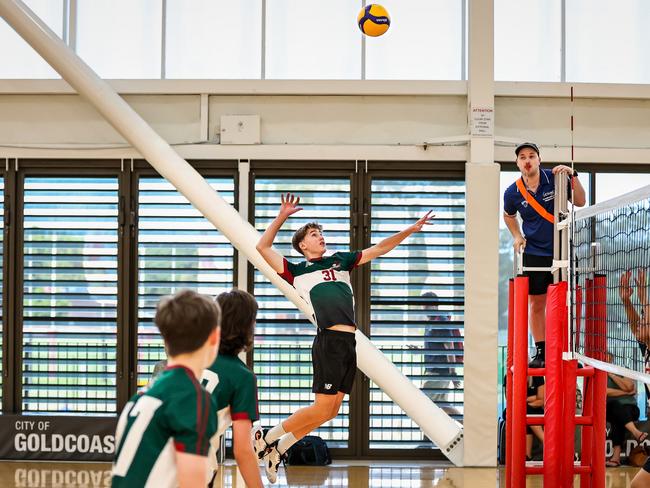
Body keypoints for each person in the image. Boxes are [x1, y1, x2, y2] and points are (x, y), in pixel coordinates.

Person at [255, 192, 434, 483]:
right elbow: (262, 246)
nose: (321, 237)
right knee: (322, 408)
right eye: (314, 234)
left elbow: (379, 248)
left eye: (321, 233)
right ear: (303, 245)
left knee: (331, 411)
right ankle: (267, 437)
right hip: (329, 342)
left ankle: (280, 449)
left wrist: (411, 229)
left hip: (349, 343)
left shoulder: (340, 261)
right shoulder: (296, 271)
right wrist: (282, 216)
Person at [111, 290, 221, 488]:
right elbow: (192, 483)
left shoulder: (140, 397)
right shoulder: (192, 398)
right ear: (214, 337)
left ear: (165, 340)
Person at [503, 142, 586, 367]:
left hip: (563, 249)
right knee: (536, 303)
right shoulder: (512, 192)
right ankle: (541, 352)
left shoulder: (556, 178)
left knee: (565, 302)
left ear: (539, 159)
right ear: (518, 163)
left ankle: (567, 350)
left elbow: (580, 201)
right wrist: (517, 236)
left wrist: (572, 174)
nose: (527, 160)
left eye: (532, 156)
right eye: (522, 157)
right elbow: (508, 216)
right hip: (535, 253)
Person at [202, 289, 263, 488]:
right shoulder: (242, 377)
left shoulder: (188, 356)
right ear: (245, 327)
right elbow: (242, 450)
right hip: (192, 465)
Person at [422, 291, 462, 415]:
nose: (424, 309)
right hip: (435, 370)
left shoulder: (441, 322)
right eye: (423, 306)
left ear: (434, 305)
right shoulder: (431, 322)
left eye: (426, 306)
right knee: (442, 405)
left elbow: (449, 348)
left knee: (424, 402)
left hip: (439, 372)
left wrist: (453, 373)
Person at [605, 370, 646, 467]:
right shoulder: (600, 374)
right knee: (615, 406)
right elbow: (605, 391)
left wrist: (612, 374)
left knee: (618, 416)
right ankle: (636, 432)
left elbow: (629, 387)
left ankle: (615, 458)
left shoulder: (621, 370)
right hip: (610, 409)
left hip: (630, 409)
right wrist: (626, 393)